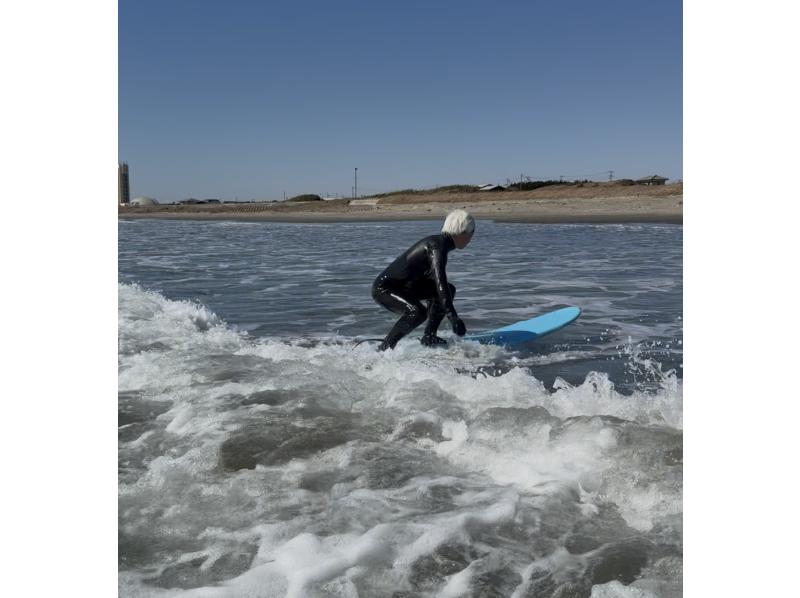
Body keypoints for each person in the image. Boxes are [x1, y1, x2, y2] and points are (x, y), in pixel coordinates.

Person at [372, 210, 474, 351]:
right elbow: (440, 281)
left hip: (405, 286)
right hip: (385, 289)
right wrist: (453, 317)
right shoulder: (437, 246)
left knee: (449, 290)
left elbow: (439, 286)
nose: (471, 239)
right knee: (417, 312)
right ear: (463, 231)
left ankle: (429, 336)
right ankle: (385, 348)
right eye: (471, 233)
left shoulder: (441, 244)